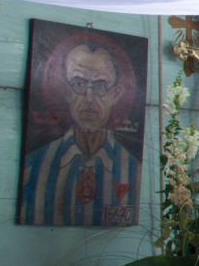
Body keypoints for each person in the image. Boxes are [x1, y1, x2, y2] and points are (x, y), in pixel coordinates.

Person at [18, 35, 140, 226]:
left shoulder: (135, 172)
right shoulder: (32, 168)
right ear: (66, 91)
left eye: (100, 85)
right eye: (78, 84)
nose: (89, 98)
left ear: (116, 94)